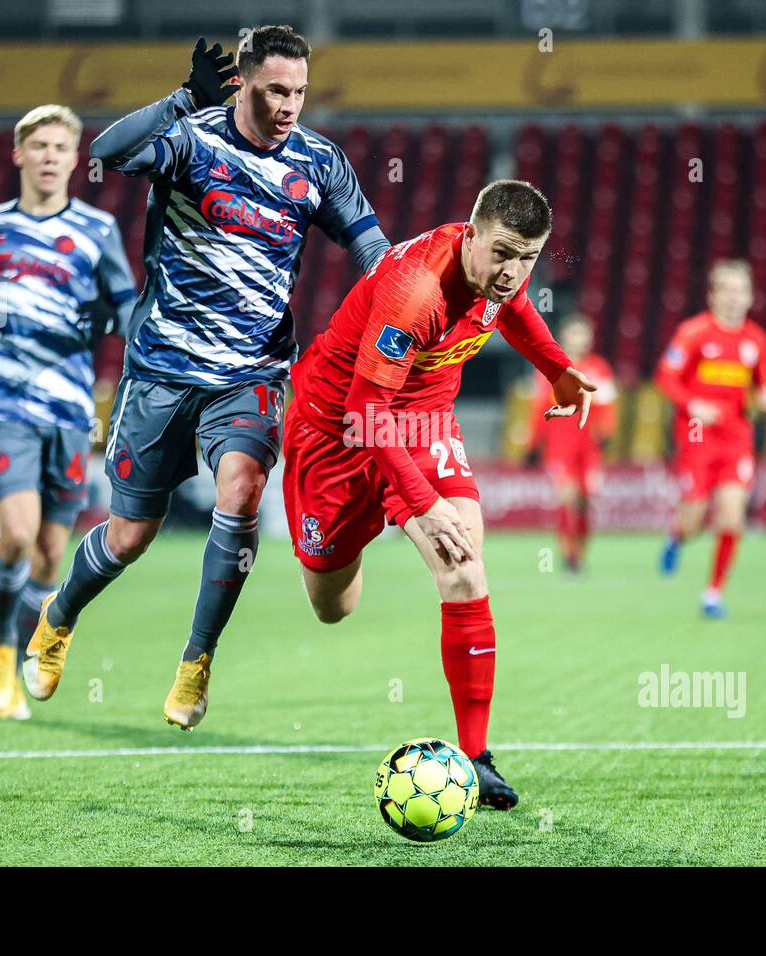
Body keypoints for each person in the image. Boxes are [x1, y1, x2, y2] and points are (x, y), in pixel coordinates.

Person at [23, 27, 390, 728]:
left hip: (250, 374)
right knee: (130, 536)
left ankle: (196, 662)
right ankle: (59, 612)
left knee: (244, 492)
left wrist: (412, 303)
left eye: (300, 92)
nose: (289, 105)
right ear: (244, 82)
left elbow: (371, 250)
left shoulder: (317, 161)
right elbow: (107, 152)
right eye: (276, 90)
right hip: (161, 368)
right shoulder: (194, 139)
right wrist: (181, 97)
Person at [282, 180, 595, 808]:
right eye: (503, 254)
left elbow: (514, 310)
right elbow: (366, 409)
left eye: (528, 259)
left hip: (423, 423)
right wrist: (422, 504)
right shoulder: (417, 290)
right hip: (335, 431)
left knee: (464, 571)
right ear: (471, 236)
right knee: (332, 606)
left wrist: (557, 369)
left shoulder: (498, 272)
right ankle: (356, 536)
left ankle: (475, 758)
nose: (514, 272)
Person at [0, 103, 136, 721]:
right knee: (17, 533)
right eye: (41, 147)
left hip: (69, 408)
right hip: (5, 402)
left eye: (62, 148)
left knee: (52, 553)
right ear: (20, 154)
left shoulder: (96, 229)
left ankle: (34, 641)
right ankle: (1, 648)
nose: (52, 157)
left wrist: (107, 317)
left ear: (74, 158)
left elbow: (125, 303)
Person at [654, 260, 766, 618]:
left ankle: (712, 594)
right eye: (728, 290)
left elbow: (765, 384)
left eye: (741, 290)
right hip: (696, 438)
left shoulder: (756, 340)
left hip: (736, 439)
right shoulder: (693, 333)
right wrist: (694, 405)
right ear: (713, 295)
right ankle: (677, 535)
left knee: (732, 519)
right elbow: (665, 378)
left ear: (751, 296)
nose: (735, 298)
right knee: (694, 519)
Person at [526, 314, 617, 573]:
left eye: (584, 334)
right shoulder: (550, 367)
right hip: (560, 445)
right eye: (575, 334)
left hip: (588, 447)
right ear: (564, 338)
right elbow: (538, 409)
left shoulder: (600, 368)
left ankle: (581, 551)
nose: (580, 339)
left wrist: (607, 433)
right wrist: (533, 444)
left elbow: (608, 405)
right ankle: (569, 556)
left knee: (586, 500)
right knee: (566, 497)